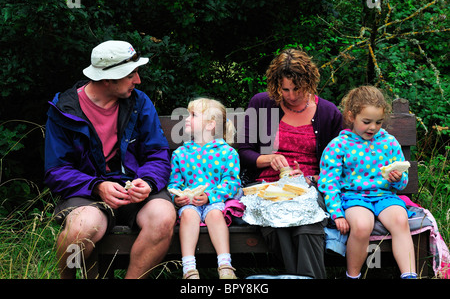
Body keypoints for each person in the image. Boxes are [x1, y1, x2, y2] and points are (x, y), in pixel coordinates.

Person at [44, 40, 176, 279]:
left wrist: (147, 181)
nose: (138, 80)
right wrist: (96, 186)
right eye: (131, 74)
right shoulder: (64, 109)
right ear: (107, 79)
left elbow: (157, 153)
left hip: (135, 187)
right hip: (87, 192)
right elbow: (56, 170)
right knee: (80, 230)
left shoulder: (140, 102)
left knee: (163, 218)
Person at [238, 48, 343, 278]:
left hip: (310, 186)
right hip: (268, 187)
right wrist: (268, 159)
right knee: (278, 223)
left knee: (307, 223)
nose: (291, 95)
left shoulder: (328, 112)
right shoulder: (261, 104)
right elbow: (244, 151)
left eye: (297, 89)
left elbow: (340, 162)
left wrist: (312, 179)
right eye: (285, 89)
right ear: (276, 85)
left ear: (309, 82)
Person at [318, 85, 417, 279]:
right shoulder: (339, 145)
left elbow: (402, 181)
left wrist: (397, 179)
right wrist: (337, 213)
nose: (373, 127)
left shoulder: (389, 142)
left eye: (379, 122)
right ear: (351, 117)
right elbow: (329, 182)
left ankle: (410, 275)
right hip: (354, 197)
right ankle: (353, 275)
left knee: (400, 219)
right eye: (366, 121)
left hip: (384, 196)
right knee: (363, 225)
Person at [168, 98, 241, 279]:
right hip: (190, 203)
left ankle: (225, 266)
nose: (186, 118)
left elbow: (232, 182)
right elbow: (174, 183)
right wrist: (176, 197)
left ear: (210, 125)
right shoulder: (181, 153)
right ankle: (189, 269)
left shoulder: (227, 153)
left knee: (215, 215)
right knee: (188, 214)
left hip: (214, 201)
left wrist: (210, 196)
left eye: (193, 115)